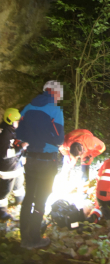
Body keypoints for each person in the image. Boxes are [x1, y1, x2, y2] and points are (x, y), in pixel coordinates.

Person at [16, 80, 64, 249]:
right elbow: (59, 139)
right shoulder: (56, 110)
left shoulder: (28, 107)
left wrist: (32, 138)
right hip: (47, 161)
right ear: (55, 93)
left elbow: (19, 131)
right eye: (59, 95)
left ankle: (24, 238)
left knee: (28, 198)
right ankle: (35, 239)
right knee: (41, 200)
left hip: (30, 159)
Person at [0, 108, 29, 220]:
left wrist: (23, 155)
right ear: (10, 121)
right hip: (7, 169)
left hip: (16, 166)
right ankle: (2, 212)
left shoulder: (12, 130)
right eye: (17, 121)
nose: (18, 123)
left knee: (18, 185)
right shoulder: (5, 133)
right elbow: (4, 153)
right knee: (5, 190)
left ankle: (20, 201)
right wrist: (20, 148)